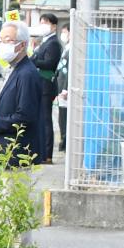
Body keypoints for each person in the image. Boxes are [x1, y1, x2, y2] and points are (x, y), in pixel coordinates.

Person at [0, 20, 49, 166]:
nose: (2, 45)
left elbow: (25, 116)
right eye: (0, 41)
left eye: (8, 40)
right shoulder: (16, 69)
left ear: (22, 45)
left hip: (17, 154)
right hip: (8, 153)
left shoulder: (26, 74)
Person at [31, 11, 62, 161]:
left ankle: (47, 154)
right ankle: (42, 151)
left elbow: (50, 63)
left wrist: (33, 61)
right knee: (41, 118)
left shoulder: (53, 43)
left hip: (46, 86)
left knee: (46, 119)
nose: (43, 25)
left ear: (54, 26)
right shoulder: (45, 41)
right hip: (41, 85)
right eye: (41, 22)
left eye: (46, 23)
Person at [55, 23, 71, 155]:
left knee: (65, 117)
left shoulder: (72, 50)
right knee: (61, 116)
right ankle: (63, 139)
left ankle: (65, 141)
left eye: (65, 32)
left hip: (65, 90)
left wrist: (65, 89)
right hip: (61, 89)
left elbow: (70, 71)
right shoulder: (66, 48)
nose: (63, 35)